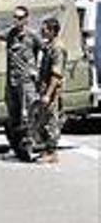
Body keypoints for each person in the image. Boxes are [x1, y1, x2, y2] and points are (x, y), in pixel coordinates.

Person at [0, 5, 43, 158]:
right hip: (12, 80)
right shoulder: (10, 33)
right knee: (14, 116)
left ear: (26, 19)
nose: (17, 21)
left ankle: (33, 145)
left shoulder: (32, 35)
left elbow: (45, 50)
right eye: (15, 17)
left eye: (20, 18)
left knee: (29, 114)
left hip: (26, 81)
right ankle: (17, 147)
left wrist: (37, 70)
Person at [36, 17, 67, 164]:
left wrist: (48, 94)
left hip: (52, 91)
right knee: (44, 119)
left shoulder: (57, 48)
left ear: (53, 31)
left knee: (51, 121)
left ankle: (52, 152)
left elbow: (56, 74)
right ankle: (47, 150)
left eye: (45, 29)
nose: (42, 31)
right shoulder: (49, 46)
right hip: (45, 88)